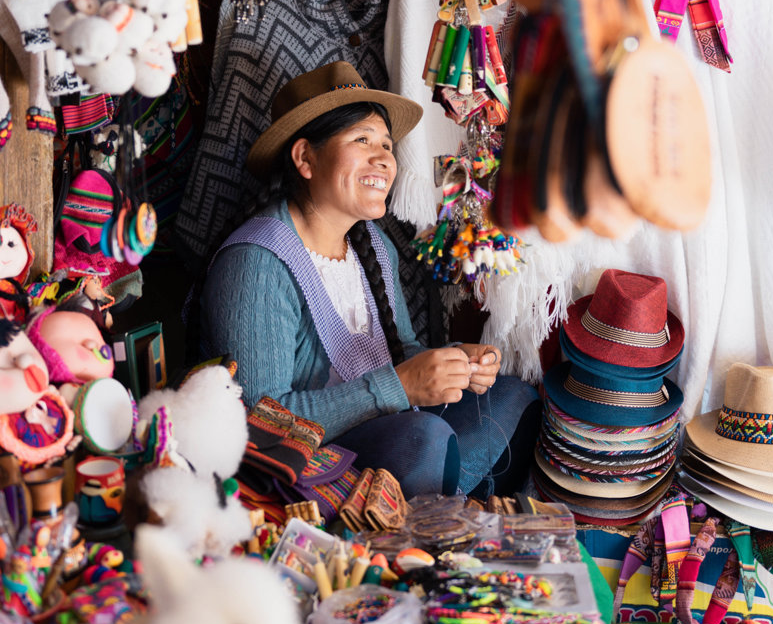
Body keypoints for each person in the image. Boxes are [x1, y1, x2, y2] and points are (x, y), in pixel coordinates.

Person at [198, 62, 539, 498]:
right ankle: (432, 521)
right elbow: (259, 420)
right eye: (361, 140)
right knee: (423, 442)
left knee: (511, 397)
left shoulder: (372, 243)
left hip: (385, 426)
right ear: (305, 158)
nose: (384, 158)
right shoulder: (258, 264)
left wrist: (452, 363)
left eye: (386, 144)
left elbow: (400, 351)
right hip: (308, 458)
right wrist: (399, 386)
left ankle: (441, 510)